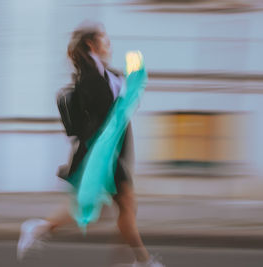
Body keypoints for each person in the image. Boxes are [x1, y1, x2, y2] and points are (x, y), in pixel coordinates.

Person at [17, 22, 164, 267]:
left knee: (107, 209)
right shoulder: (90, 78)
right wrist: (129, 88)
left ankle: (39, 228)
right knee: (124, 205)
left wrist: (133, 79)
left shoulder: (102, 73)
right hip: (103, 156)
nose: (110, 44)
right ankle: (142, 261)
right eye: (104, 39)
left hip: (108, 154)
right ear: (91, 45)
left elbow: (121, 98)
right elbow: (107, 112)